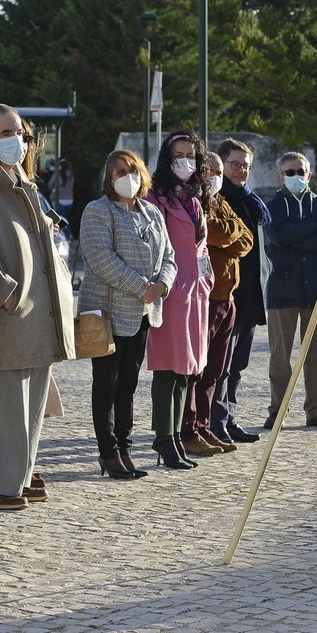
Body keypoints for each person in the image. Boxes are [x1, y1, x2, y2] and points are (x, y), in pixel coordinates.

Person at [0, 103, 74, 510]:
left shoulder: (19, 174)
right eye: (8, 133)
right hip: (3, 309)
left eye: (21, 132)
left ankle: (18, 478)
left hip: (37, 309)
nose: (18, 140)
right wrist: (1, 293)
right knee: (3, 405)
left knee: (32, 403)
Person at [79, 149, 176, 479]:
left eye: (131, 169)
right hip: (108, 313)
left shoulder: (152, 212)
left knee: (129, 385)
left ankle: (124, 445)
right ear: (109, 178)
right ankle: (107, 451)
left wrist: (162, 284)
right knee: (107, 383)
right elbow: (100, 258)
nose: (126, 176)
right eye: (118, 171)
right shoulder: (98, 210)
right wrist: (141, 286)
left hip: (143, 313)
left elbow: (170, 257)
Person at [144, 131, 214, 469]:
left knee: (187, 368)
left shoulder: (196, 198)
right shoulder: (155, 197)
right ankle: (164, 436)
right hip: (170, 291)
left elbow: (201, 247)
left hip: (196, 291)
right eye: (178, 154)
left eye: (191, 154)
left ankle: (176, 434)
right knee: (168, 367)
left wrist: (208, 278)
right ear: (166, 158)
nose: (184, 161)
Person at [181, 152, 252, 456]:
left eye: (219, 171)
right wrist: (225, 233)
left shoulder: (222, 202)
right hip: (204, 298)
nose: (215, 176)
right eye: (210, 171)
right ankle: (188, 429)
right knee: (196, 370)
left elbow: (246, 239)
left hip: (228, 298)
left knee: (215, 371)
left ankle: (205, 426)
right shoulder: (194, 202)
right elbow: (214, 230)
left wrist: (224, 233)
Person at [264, 152, 317, 430]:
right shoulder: (272, 206)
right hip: (282, 290)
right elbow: (277, 237)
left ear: (310, 175)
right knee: (280, 358)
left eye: (301, 171)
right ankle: (278, 410)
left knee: (316, 355)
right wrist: (311, 228)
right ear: (281, 176)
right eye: (290, 172)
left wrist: (298, 235)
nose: (296, 176)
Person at [212, 138, 268, 445]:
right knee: (220, 364)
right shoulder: (220, 199)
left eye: (246, 165)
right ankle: (215, 421)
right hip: (227, 294)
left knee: (238, 365)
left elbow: (250, 244)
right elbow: (233, 242)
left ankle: (229, 417)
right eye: (235, 165)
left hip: (249, 296)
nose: (241, 171)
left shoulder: (251, 200)